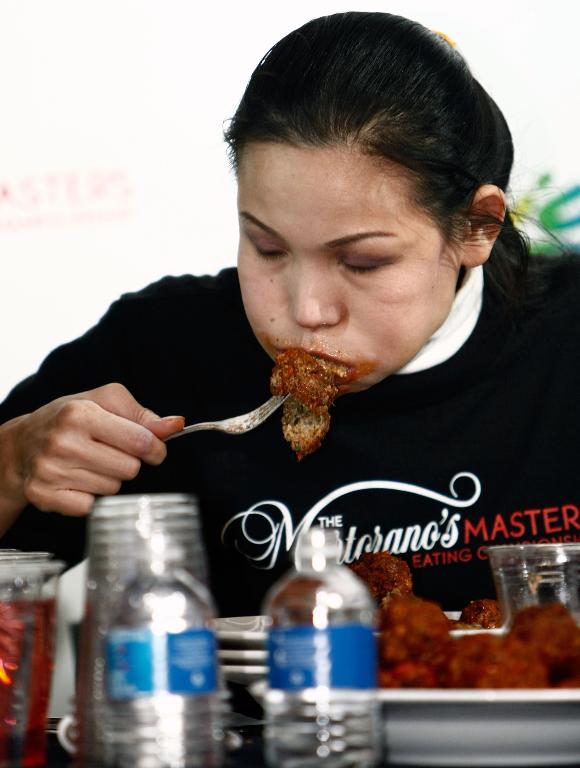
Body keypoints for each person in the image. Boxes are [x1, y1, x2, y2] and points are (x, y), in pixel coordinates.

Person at [0, 11, 578, 617]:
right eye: (268, 248)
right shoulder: (163, 350)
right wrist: (13, 463)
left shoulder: (564, 339)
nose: (307, 312)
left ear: (477, 226)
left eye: (362, 261)